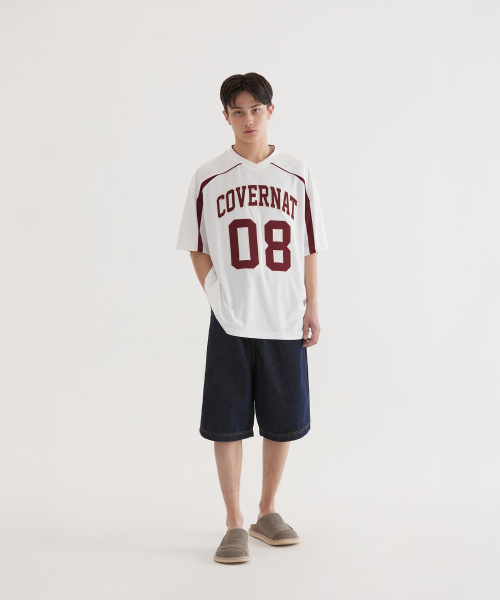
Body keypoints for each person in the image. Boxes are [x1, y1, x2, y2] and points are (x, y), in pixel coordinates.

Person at [175, 72, 328, 563]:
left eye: (255, 110)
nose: (247, 119)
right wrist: (216, 297)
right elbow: (195, 245)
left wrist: (312, 305)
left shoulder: (298, 173)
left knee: (283, 421)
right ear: (225, 116)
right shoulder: (208, 176)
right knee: (227, 423)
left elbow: (310, 247)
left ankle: (267, 511)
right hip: (232, 320)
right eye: (237, 111)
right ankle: (233, 521)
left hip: (284, 317)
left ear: (270, 111)